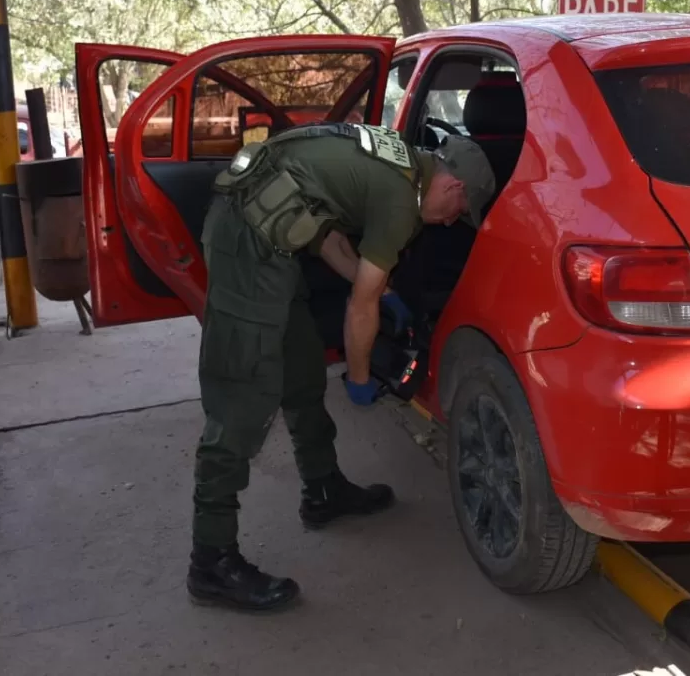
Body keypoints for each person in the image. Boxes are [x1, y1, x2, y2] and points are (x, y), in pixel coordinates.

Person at [190, 122, 495, 612]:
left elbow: (324, 232)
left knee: (303, 368)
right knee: (242, 398)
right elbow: (360, 307)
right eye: (459, 211)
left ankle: (323, 489)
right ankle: (211, 561)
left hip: (271, 238)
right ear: (454, 186)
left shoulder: (400, 165)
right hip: (245, 243)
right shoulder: (401, 200)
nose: (448, 222)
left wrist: (378, 288)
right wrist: (358, 378)